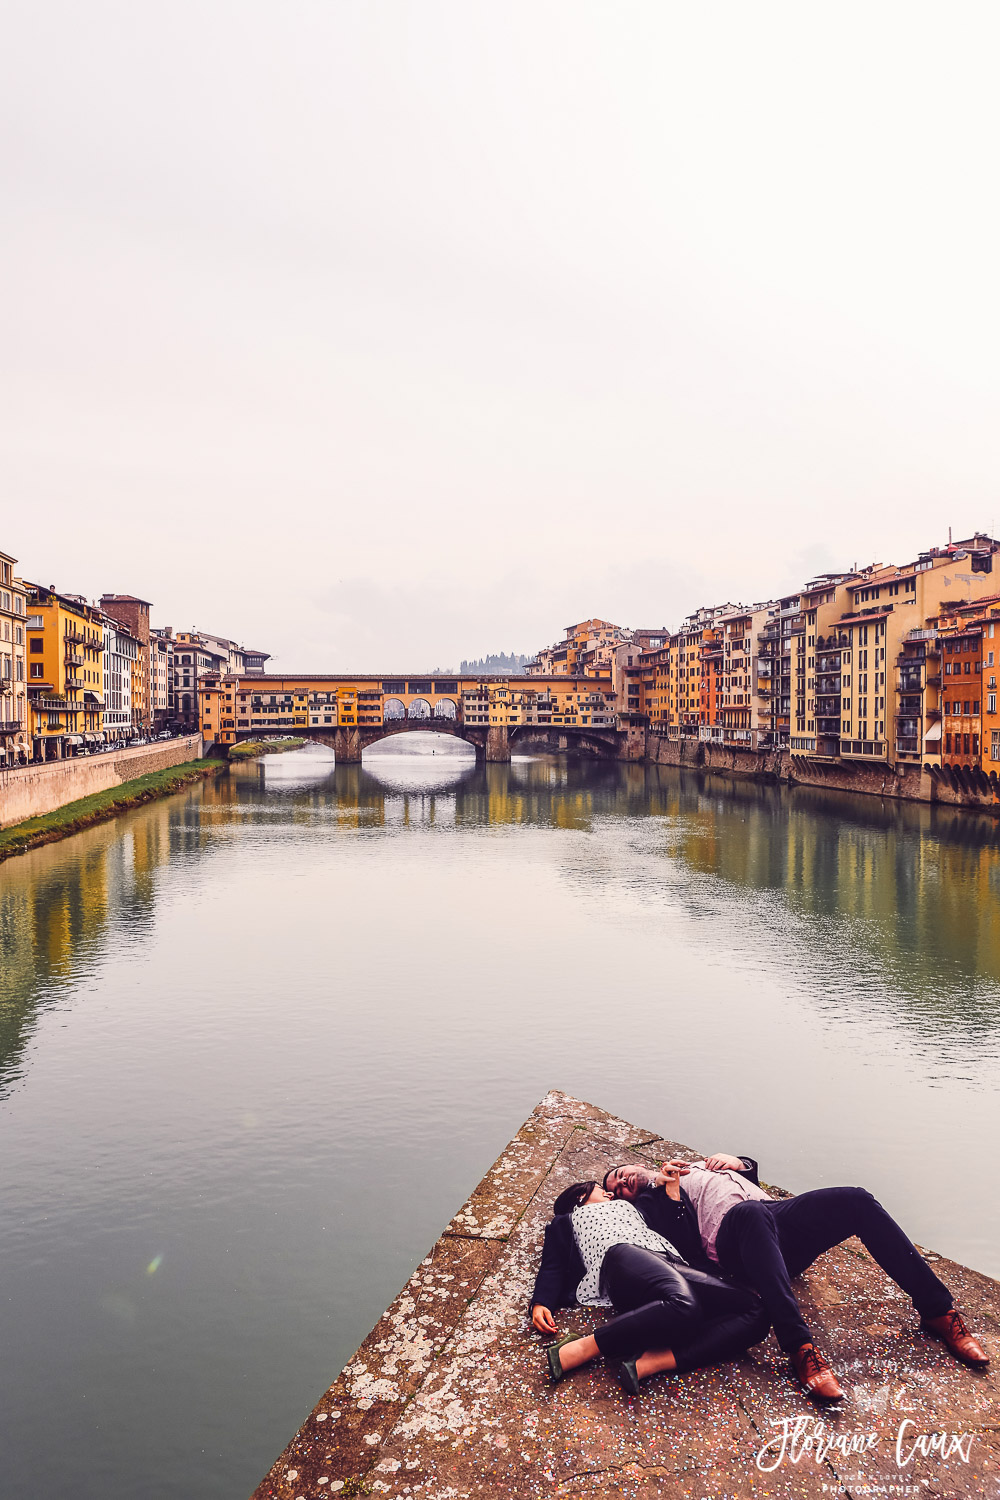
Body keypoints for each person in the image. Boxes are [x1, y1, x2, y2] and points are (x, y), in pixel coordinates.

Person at [603, 1155, 989, 1403]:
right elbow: (685, 1248)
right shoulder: (650, 1207)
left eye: (620, 1174)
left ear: (633, 1165)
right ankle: (800, 1348)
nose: (622, 1183)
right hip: (733, 1245)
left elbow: (747, 1179)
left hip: (774, 1222)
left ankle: (938, 1311)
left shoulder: (693, 1165)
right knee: (751, 1214)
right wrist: (669, 1191)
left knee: (856, 1199)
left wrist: (739, 1161)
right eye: (615, 1189)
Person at [529, 1171, 769, 1396]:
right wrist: (541, 1301)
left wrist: (667, 1184)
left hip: (668, 1260)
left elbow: (670, 1217)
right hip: (620, 1257)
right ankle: (585, 1346)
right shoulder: (567, 1220)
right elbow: (553, 1263)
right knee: (685, 1303)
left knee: (756, 1310)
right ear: (581, 1196)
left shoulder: (634, 1208)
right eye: (601, 1189)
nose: (610, 1193)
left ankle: (653, 1361)